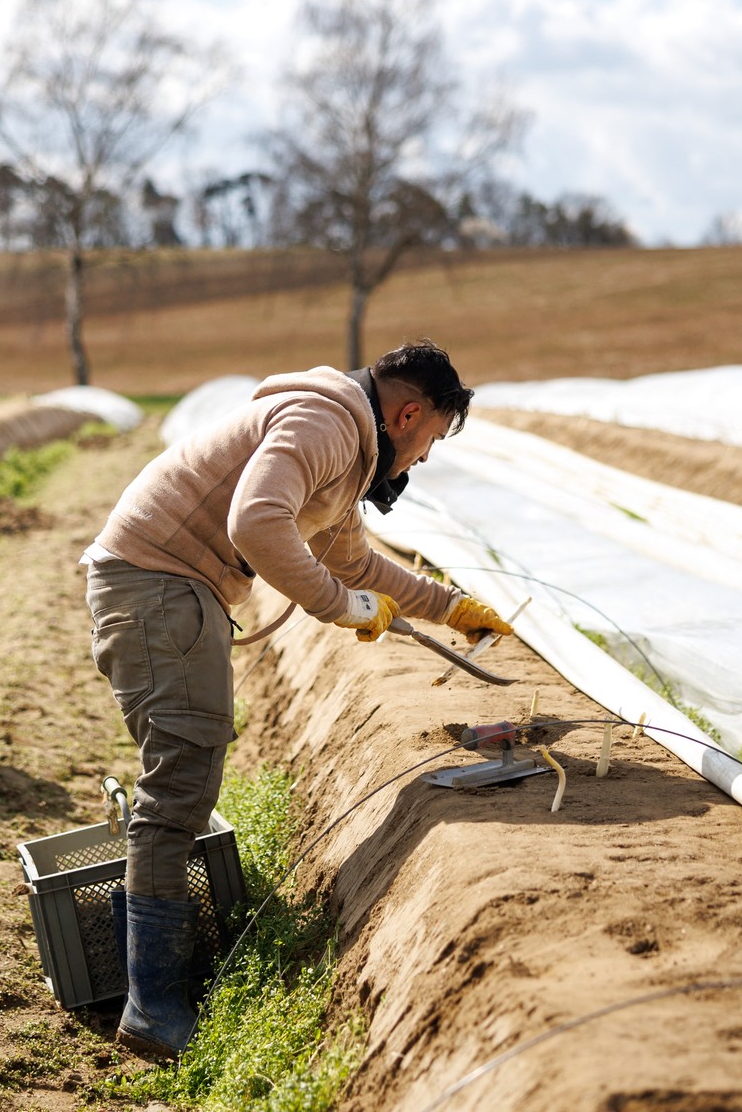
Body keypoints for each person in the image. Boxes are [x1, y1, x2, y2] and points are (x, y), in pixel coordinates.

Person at [83, 339, 516, 1060]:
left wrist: (452, 606)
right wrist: (338, 606)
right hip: (156, 586)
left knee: (183, 779)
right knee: (181, 780)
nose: (423, 459)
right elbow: (256, 523)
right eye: (431, 440)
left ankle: (154, 988)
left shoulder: (345, 448)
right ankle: (152, 1005)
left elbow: (352, 559)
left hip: (165, 586)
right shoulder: (326, 425)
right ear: (408, 413)